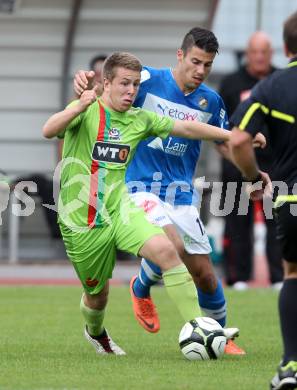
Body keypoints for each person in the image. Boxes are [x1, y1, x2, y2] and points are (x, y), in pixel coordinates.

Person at [73, 28, 266, 355]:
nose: (200, 70)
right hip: (136, 185)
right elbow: (110, 84)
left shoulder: (211, 101)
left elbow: (221, 145)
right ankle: (144, 287)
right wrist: (84, 81)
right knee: (171, 243)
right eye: (195, 61)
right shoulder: (148, 80)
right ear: (180, 55)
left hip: (179, 192)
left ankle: (219, 335)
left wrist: (246, 158)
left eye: (207, 64)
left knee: (204, 274)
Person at [42, 51, 235, 356]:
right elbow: (49, 130)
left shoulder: (140, 119)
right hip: (83, 220)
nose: (131, 91)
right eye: (124, 84)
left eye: (134, 85)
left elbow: (186, 129)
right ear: (106, 84)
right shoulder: (86, 110)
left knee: (167, 251)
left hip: (121, 209)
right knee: (97, 295)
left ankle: (201, 327)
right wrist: (78, 105)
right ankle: (96, 333)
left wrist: (234, 135)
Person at [229, 11, 297, 389]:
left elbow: (238, 139)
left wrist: (253, 178)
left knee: (293, 275)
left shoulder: (272, 87)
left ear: (285, 48)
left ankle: (290, 366)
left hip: (292, 198)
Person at [219, 31, 283, 289]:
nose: (258, 57)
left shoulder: (281, 80)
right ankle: (238, 277)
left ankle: (279, 277)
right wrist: (229, 155)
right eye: (254, 51)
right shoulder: (232, 83)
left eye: (263, 51)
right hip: (237, 163)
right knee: (236, 221)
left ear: (271, 53)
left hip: (276, 163)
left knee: (278, 219)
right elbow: (219, 126)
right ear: (248, 53)